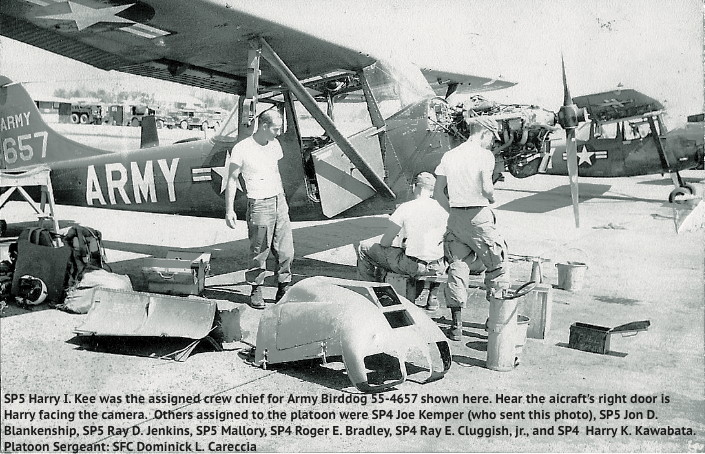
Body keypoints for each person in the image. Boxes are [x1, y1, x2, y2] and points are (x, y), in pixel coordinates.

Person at [434, 116, 510, 341]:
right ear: (484, 133)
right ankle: (494, 321)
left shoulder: (450, 155)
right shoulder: (484, 155)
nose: (491, 143)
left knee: (457, 266)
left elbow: (438, 192)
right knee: (498, 264)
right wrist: (492, 197)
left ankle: (456, 326)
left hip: (455, 216)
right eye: (491, 139)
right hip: (479, 215)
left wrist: (454, 213)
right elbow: (486, 187)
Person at [225, 110, 293, 309]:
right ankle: (256, 288)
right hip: (259, 203)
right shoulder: (242, 148)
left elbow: (275, 171)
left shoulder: (275, 145)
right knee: (259, 250)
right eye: (275, 128)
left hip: (278, 200)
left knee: (286, 249)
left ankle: (284, 286)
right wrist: (229, 209)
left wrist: (281, 198)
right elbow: (232, 178)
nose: (278, 133)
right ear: (263, 126)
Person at [356, 172, 448, 310]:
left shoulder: (406, 207)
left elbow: (385, 242)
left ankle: (370, 298)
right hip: (438, 266)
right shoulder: (444, 209)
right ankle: (432, 297)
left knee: (364, 248)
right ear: (432, 190)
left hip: (412, 265)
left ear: (414, 187)